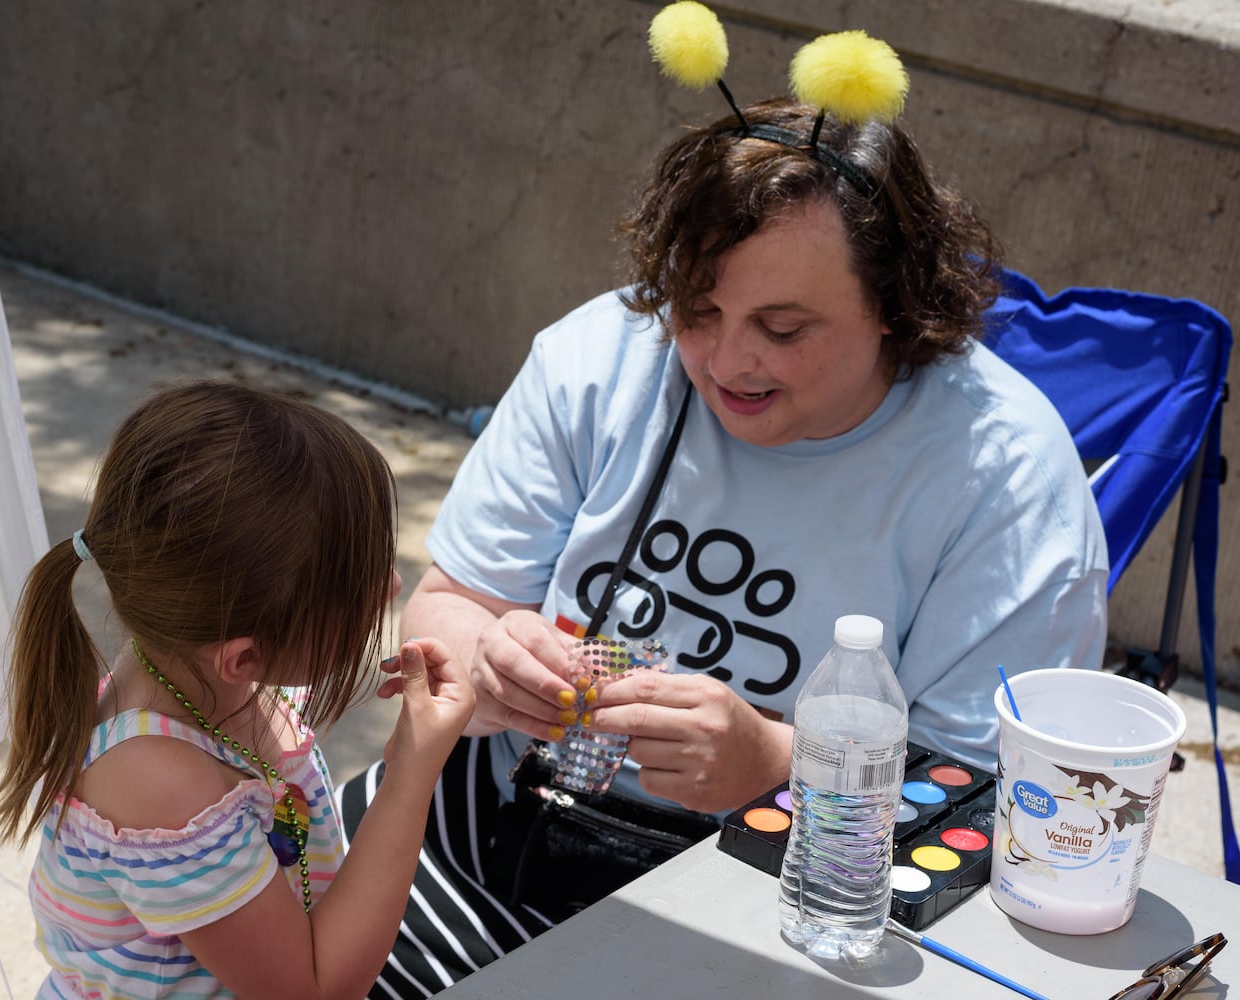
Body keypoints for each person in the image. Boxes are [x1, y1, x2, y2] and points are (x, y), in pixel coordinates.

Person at [338, 29, 1109, 1000]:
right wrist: (483, 666)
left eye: (782, 330)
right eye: (696, 312)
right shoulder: (603, 355)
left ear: (895, 304)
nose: (726, 362)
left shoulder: (1004, 478)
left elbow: (995, 814)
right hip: (492, 834)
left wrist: (776, 765)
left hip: (780, 906)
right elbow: (448, 602)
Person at [0, 380, 477, 999]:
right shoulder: (159, 784)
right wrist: (410, 774)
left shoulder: (200, 680)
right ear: (243, 656)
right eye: (357, 588)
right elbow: (312, 991)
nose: (391, 587)